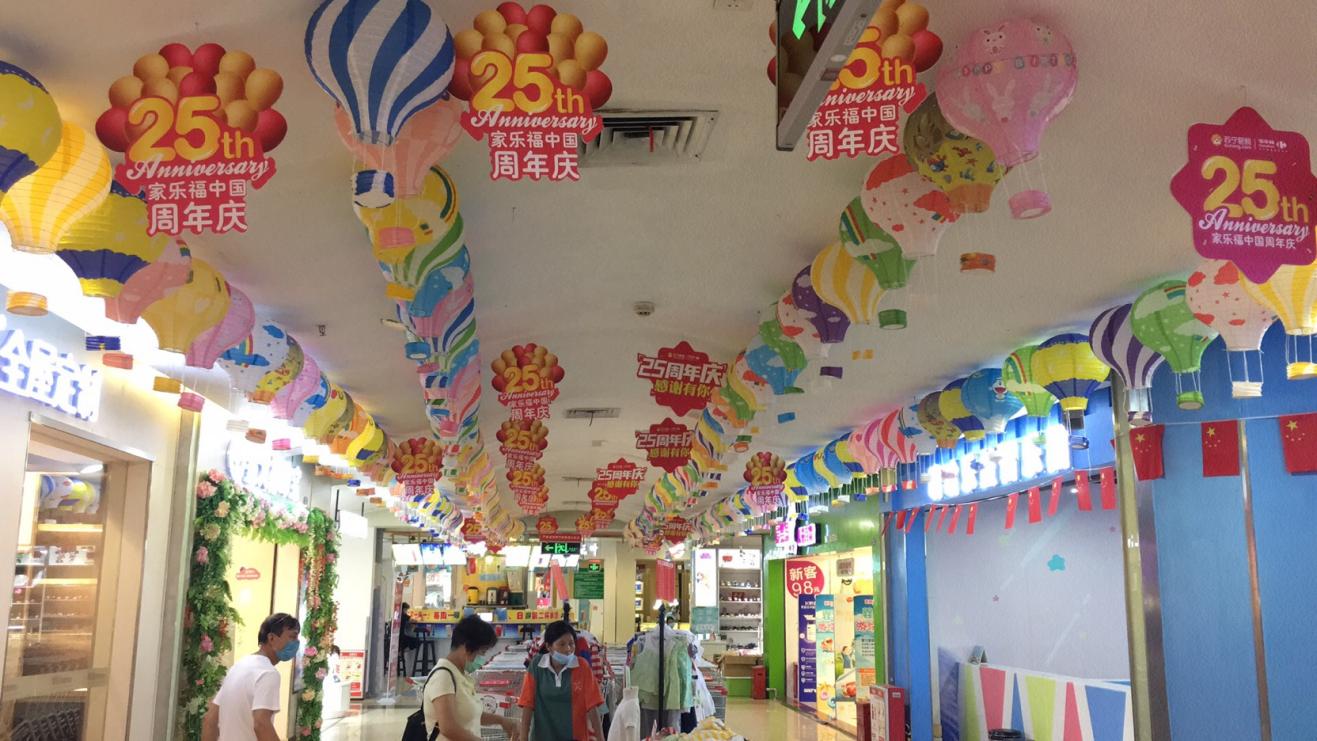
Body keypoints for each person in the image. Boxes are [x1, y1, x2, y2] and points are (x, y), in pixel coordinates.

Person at [202, 612, 300, 741]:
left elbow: (210, 720)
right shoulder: (268, 673)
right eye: (292, 637)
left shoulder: (239, 666)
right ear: (271, 638)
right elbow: (261, 724)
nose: (296, 643)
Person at [422, 615, 521, 741]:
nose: (481, 658)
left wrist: (501, 720)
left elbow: (471, 715)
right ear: (467, 647)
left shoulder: (461, 675)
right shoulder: (443, 677)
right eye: (482, 652)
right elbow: (448, 727)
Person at [518, 621, 606, 741]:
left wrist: (601, 738)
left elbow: (593, 707)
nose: (568, 649)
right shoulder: (536, 665)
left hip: (576, 737)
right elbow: (527, 704)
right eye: (562, 644)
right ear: (549, 646)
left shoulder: (582, 667)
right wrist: (523, 737)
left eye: (571, 644)